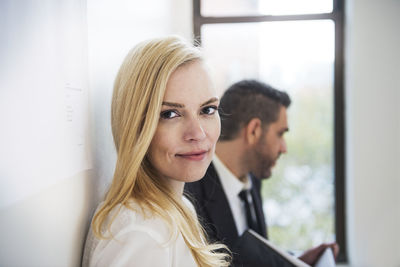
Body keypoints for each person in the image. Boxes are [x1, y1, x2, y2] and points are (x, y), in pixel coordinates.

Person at [82, 36, 231, 267]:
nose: (198, 133)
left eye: (207, 109)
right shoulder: (141, 232)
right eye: (170, 114)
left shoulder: (180, 208)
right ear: (136, 126)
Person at [185, 79, 339, 266]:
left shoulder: (253, 179)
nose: (284, 148)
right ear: (254, 131)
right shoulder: (190, 193)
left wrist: (295, 261)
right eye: (280, 134)